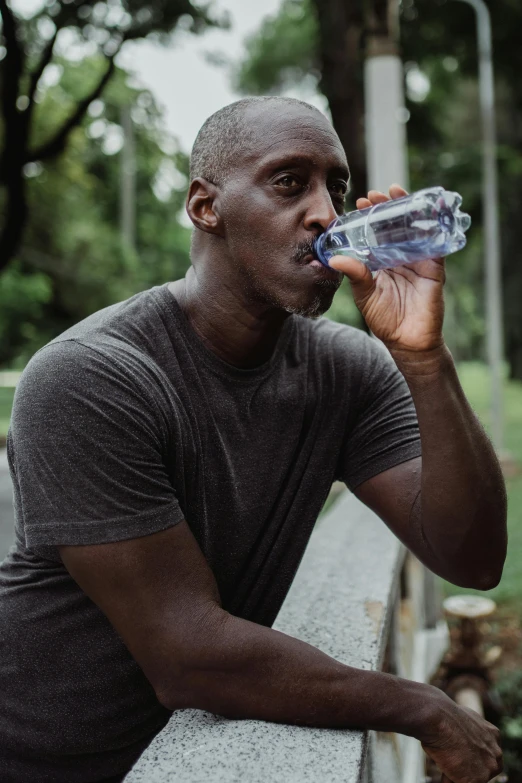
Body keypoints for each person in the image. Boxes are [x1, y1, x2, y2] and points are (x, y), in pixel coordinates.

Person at [0, 96, 506, 783]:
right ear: (206, 207)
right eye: (289, 182)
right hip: (44, 759)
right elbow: (187, 656)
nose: (329, 214)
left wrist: (424, 359)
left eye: (338, 187)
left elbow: (471, 556)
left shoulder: (345, 370)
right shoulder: (90, 376)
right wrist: (419, 704)